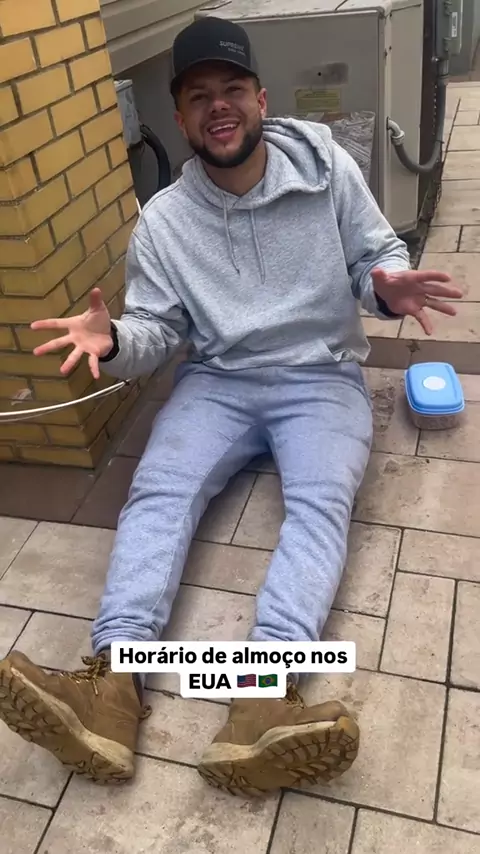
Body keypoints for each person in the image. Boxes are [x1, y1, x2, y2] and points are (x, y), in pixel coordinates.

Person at [0, 16, 461, 797]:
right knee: (159, 490)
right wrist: (115, 341)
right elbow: (159, 329)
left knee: (319, 503)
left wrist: (384, 284)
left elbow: (374, 257)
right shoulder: (164, 222)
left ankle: (261, 699)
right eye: (198, 96)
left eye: (233, 89)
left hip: (320, 377)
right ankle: (112, 689)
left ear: (261, 100)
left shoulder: (326, 169)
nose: (219, 106)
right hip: (218, 380)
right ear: (182, 121)